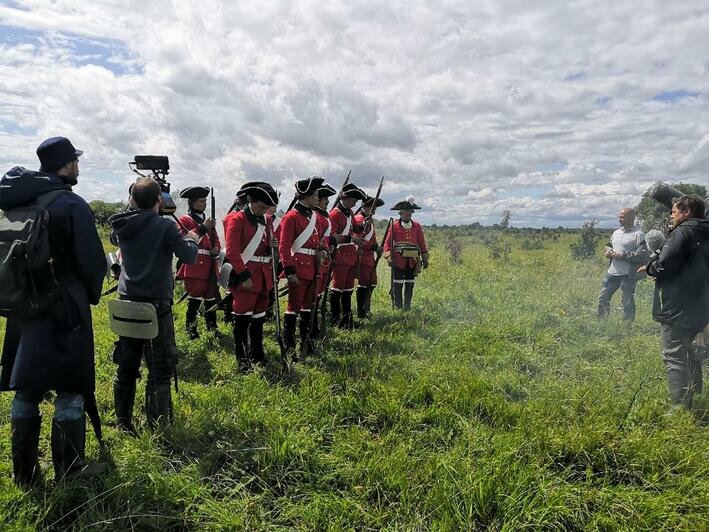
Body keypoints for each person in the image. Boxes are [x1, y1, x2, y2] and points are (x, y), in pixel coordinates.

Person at [0, 137, 107, 485]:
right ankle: (69, 471)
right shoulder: (71, 204)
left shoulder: (18, 198)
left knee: (26, 389)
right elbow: (92, 264)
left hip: (22, 306)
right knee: (69, 389)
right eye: (75, 160)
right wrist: (89, 293)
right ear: (66, 164)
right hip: (65, 307)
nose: (78, 166)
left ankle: (24, 475)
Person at [109, 177, 199, 431]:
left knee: (126, 367)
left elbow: (116, 236)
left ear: (132, 200)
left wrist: (134, 204)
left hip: (126, 303)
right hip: (156, 306)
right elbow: (189, 256)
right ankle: (158, 423)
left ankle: (123, 422)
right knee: (160, 368)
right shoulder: (166, 227)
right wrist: (191, 238)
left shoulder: (121, 225)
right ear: (159, 200)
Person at [640, 195, 709, 410]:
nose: (672, 215)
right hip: (702, 302)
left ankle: (680, 407)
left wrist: (651, 267)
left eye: (674, 211)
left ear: (686, 211)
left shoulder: (683, 231)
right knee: (692, 349)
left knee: (673, 355)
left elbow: (664, 264)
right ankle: (694, 391)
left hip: (679, 305)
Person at [223, 182, 279, 372]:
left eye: (266, 207)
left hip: (264, 275)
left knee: (259, 317)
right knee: (242, 318)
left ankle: (257, 354)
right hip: (246, 274)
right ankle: (242, 359)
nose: (264, 210)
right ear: (251, 201)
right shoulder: (237, 219)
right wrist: (243, 275)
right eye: (261, 206)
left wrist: (272, 244)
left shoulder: (267, 220)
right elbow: (232, 251)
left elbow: (265, 248)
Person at [278, 177, 327, 359]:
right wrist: (289, 271)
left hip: (313, 269)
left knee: (308, 308)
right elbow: (284, 247)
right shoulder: (291, 217)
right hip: (298, 269)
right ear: (305, 196)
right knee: (293, 308)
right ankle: (289, 345)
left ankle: (305, 343)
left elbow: (322, 241)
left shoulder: (315, 218)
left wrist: (323, 250)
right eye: (314, 195)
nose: (317, 198)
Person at [176, 187, 220, 339]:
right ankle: (191, 329)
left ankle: (212, 327)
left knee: (210, 298)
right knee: (194, 300)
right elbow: (185, 240)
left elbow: (217, 240)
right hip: (194, 264)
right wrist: (203, 228)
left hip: (209, 263)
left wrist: (216, 249)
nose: (204, 204)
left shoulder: (208, 221)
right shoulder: (185, 220)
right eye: (201, 201)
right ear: (193, 202)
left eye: (205, 201)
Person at [597, 208, 647, 322]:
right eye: (619, 217)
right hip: (612, 272)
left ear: (632, 218)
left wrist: (622, 255)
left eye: (623, 217)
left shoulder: (639, 234)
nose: (620, 219)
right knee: (603, 297)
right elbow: (608, 245)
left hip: (628, 275)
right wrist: (608, 251)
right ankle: (602, 323)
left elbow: (643, 254)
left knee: (627, 301)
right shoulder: (616, 232)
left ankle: (627, 326)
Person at [328, 183, 368, 328]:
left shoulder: (349, 212)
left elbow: (355, 228)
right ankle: (335, 319)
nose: (355, 203)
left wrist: (363, 225)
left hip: (350, 256)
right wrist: (352, 239)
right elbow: (332, 236)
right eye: (353, 199)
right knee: (337, 288)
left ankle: (347, 319)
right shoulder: (334, 214)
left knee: (348, 289)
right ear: (345, 198)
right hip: (339, 255)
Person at [383, 196, 429, 310]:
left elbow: (421, 243)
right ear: (400, 212)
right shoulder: (394, 225)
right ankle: (398, 307)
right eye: (405, 211)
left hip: (412, 261)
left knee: (409, 284)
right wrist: (389, 257)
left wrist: (425, 258)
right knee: (397, 284)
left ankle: (407, 307)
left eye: (409, 211)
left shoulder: (417, 226)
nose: (408, 214)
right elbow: (387, 243)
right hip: (398, 261)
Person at [312, 182, 337, 337]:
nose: (328, 202)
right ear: (318, 200)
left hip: (324, 260)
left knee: (319, 294)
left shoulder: (323, 216)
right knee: (314, 295)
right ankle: (311, 328)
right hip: (316, 261)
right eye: (325, 199)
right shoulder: (316, 217)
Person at [354, 195, 385, 319]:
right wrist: (374, 248)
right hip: (362, 258)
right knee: (363, 286)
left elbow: (372, 239)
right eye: (372, 207)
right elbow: (359, 240)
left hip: (370, 258)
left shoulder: (368, 219)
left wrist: (377, 247)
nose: (374, 210)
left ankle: (366, 309)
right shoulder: (359, 219)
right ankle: (361, 312)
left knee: (371, 284)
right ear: (365, 206)